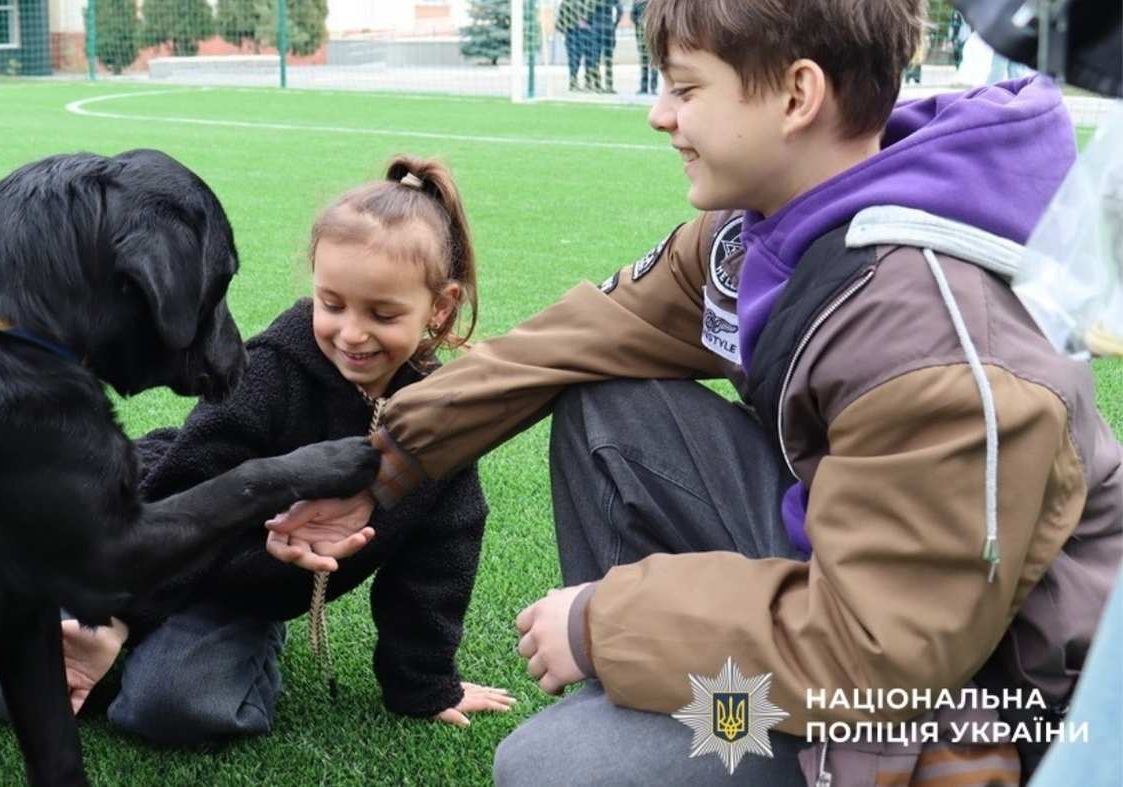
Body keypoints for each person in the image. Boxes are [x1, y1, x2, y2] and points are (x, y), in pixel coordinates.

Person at [267, 1, 1122, 785]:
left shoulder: (936, 334)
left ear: (796, 96)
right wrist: (380, 468)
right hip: (858, 600)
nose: (660, 113)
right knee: (608, 401)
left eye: (685, 88)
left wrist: (606, 620)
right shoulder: (774, 223)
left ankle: (711, 729)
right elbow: (582, 335)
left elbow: (882, 652)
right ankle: (684, 709)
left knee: (559, 766)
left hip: (958, 703)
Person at [0, 156, 513, 743]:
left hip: (238, 591)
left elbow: (443, 553)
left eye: (383, 314)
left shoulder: (437, 420)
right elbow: (174, 498)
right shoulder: (270, 373)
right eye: (332, 304)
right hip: (154, 539)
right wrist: (117, 616)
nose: (352, 333)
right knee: (18, 688)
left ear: (440, 306)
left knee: (171, 710)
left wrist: (425, 684)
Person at [555, 0, 595, 92]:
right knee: (576, 59)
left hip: (582, 33)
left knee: (582, 59)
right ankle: (577, 83)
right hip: (574, 33)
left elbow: (559, 23)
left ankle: (583, 83)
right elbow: (560, 22)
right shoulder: (567, 3)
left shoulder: (586, 3)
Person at [631, 0, 656, 94]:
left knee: (653, 62)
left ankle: (651, 87)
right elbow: (632, 16)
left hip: (651, 37)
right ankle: (645, 87)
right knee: (645, 63)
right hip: (643, 38)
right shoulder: (637, 2)